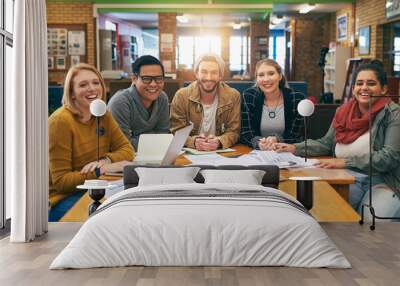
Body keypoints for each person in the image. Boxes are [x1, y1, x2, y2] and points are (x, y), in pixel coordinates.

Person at [273, 60, 400, 217]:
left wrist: (345, 162)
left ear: (383, 89)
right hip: (346, 178)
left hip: (384, 182)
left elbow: (389, 157)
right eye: (359, 83)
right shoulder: (343, 112)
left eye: (371, 83)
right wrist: (294, 147)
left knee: (371, 223)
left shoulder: (394, 114)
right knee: (324, 213)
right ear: (353, 89)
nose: (364, 88)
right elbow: (326, 144)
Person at [48, 63, 134, 221]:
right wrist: (100, 170)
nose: (92, 88)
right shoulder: (60, 121)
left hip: (94, 188)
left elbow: (127, 150)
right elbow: (62, 182)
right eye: (83, 85)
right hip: (62, 199)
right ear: (72, 93)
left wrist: (105, 160)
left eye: (96, 83)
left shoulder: (103, 115)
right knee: (115, 217)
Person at [170, 53, 240, 151]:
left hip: (221, 154)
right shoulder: (181, 96)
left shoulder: (233, 96)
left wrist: (220, 141)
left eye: (214, 72)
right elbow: (176, 131)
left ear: (220, 76)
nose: (208, 77)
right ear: (196, 74)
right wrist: (193, 142)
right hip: (189, 154)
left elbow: (234, 131)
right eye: (204, 72)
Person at [240, 59, 305, 150]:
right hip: (256, 154)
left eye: (271, 73)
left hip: (286, 152)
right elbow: (245, 133)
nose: (266, 79)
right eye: (261, 75)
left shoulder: (297, 98)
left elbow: (297, 135)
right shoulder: (249, 96)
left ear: (280, 76)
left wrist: (277, 139)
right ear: (257, 79)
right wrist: (258, 143)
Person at [108, 55, 170, 150]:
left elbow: (164, 135)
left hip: (153, 155)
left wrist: (136, 137)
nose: (153, 84)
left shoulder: (162, 98)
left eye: (158, 78)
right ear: (134, 79)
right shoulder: (120, 102)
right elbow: (121, 144)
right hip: (123, 159)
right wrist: (154, 139)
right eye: (146, 79)